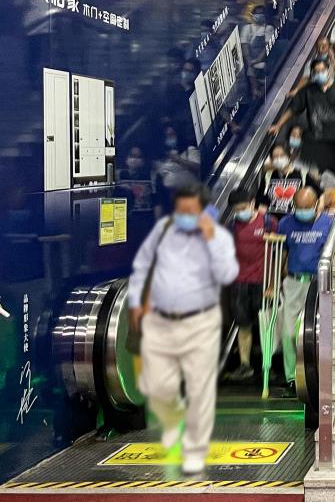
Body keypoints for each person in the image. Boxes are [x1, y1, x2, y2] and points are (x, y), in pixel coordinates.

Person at [128, 181, 238, 475]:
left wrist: (211, 241)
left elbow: (228, 274)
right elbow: (142, 265)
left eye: (190, 211)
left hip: (201, 321)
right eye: (181, 210)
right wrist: (136, 301)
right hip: (161, 320)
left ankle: (194, 449)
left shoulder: (218, 237)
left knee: (200, 388)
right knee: (157, 385)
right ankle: (172, 416)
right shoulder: (164, 229)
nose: (185, 216)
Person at [274, 188, 332, 397]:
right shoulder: (285, 223)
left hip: (317, 283)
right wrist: (274, 283)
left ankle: (315, 377)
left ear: (316, 205)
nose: (303, 211)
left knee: (315, 334)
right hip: (293, 281)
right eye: (299, 208)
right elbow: (282, 253)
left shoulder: (328, 223)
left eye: (307, 208)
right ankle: (292, 378)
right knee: (288, 333)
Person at [270, 58, 335, 180]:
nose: (320, 74)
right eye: (317, 71)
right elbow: (293, 109)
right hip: (318, 140)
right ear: (313, 73)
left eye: (322, 70)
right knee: (322, 174)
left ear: (328, 70)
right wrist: (278, 125)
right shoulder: (308, 91)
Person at [225, 188, 275, 382]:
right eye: (236, 210)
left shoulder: (268, 222)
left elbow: (278, 251)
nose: (240, 212)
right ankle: (245, 365)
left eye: (243, 208)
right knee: (243, 325)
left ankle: (268, 366)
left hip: (263, 282)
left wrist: (273, 283)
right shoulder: (232, 226)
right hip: (239, 283)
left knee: (265, 326)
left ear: (253, 203)